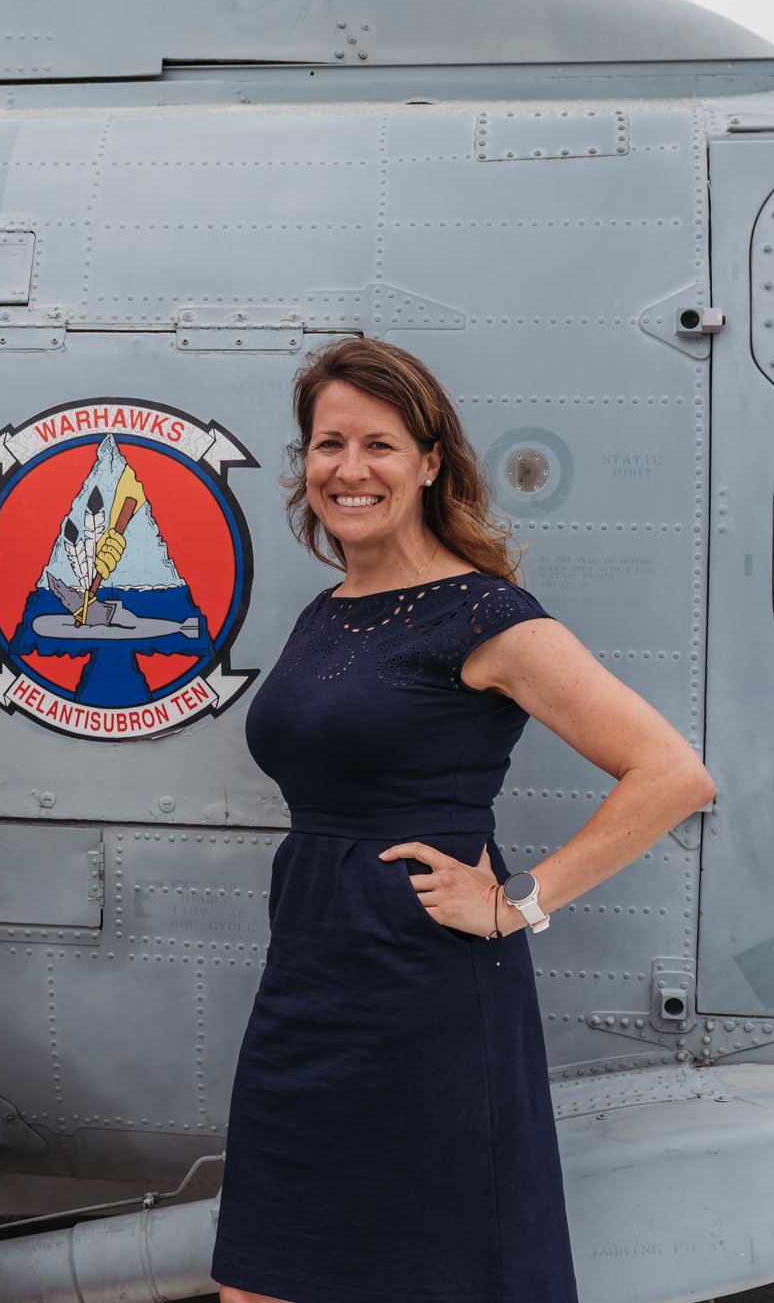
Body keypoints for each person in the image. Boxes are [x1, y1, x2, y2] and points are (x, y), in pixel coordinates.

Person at [211, 337, 716, 1303]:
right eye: (327, 444)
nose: (348, 469)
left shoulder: (485, 614)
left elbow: (672, 773)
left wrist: (516, 902)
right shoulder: (331, 607)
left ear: (431, 461)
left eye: (379, 445)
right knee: (265, 1277)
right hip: (309, 985)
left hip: (424, 996)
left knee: (426, 1274)